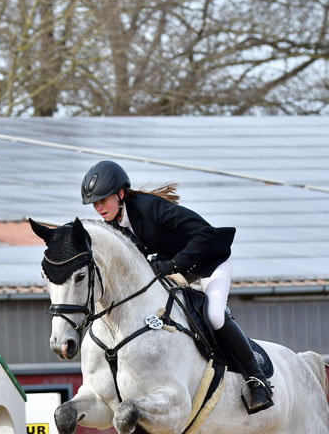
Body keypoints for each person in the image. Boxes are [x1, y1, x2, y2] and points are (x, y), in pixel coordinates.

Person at [81, 160, 273, 413]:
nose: (98, 207)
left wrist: (172, 265)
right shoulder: (115, 226)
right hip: (176, 272)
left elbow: (206, 234)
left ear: (120, 194)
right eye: (94, 203)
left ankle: (256, 378)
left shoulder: (151, 208)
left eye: (102, 200)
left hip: (209, 264)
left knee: (214, 315)